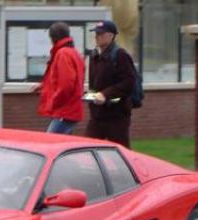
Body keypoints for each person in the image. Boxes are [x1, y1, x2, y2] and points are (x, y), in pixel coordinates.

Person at [86, 20, 136, 148]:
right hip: (97, 114)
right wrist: (91, 96)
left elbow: (129, 82)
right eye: (96, 34)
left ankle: (128, 169)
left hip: (117, 115)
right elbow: (94, 83)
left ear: (111, 36)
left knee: (121, 151)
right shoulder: (94, 55)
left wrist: (105, 94)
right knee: (89, 148)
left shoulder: (120, 55)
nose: (97, 37)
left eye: (100, 34)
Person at [35, 22, 85, 135]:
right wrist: (43, 86)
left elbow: (66, 85)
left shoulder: (63, 54)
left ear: (53, 38)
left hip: (64, 111)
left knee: (49, 145)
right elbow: (65, 78)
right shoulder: (73, 53)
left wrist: (54, 101)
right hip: (71, 110)